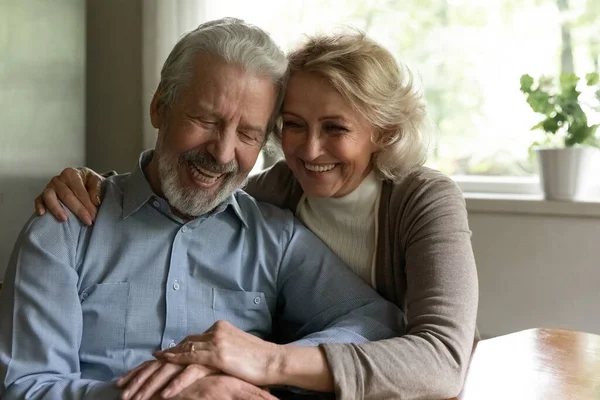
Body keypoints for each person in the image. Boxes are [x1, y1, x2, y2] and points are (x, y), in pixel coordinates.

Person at [34, 28, 479, 400]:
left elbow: (429, 350)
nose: (309, 149)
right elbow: (181, 189)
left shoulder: (420, 200)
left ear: (382, 133)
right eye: (293, 125)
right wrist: (98, 184)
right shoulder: (273, 192)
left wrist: (263, 363)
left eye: (336, 128)